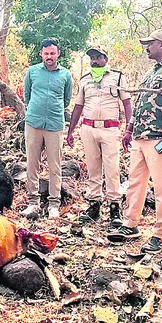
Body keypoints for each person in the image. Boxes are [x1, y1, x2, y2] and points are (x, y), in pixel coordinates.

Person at [107, 29, 162, 254]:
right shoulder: (151, 71)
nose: (147, 47)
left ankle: (161, 234)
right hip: (140, 135)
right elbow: (142, 100)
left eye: (150, 43)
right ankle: (130, 224)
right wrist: (130, 128)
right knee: (136, 181)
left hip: (159, 136)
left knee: (161, 185)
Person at [66, 46, 132, 227]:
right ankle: (94, 206)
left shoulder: (117, 77)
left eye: (98, 57)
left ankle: (114, 208)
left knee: (112, 169)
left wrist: (129, 128)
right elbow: (78, 106)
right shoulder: (85, 80)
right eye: (92, 58)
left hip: (110, 129)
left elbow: (127, 103)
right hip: (88, 128)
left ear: (106, 59)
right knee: (93, 169)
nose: (94, 61)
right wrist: (70, 131)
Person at [22, 38, 73, 219]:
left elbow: (67, 100)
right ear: (41, 54)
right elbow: (27, 96)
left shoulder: (65, 75)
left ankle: (53, 204)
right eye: (46, 53)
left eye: (52, 53)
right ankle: (33, 202)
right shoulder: (32, 72)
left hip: (55, 124)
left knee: (55, 166)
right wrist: (35, 109)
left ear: (58, 54)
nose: (49, 56)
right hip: (33, 123)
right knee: (32, 163)